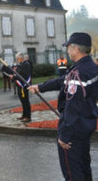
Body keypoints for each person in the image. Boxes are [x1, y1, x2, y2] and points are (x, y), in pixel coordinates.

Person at [28, 32, 98, 181]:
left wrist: (65, 136)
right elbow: (62, 81)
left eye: (68, 47)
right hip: (86, 127)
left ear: (76, 49)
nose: (67, 51)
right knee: (84, 168)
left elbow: (73, 107)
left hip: (73, 133)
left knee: (73, 174)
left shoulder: (78, 73)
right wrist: (40, 87)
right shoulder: (91, 67)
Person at [9, 53, 32, 122]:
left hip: (24, 85)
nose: (17, 60)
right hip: (19, 85)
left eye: (18, 58)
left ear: (21, 58)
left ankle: (28, 116)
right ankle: (24, 115)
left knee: (26, 101)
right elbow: (18, 73)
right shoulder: (21, 65)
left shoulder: (26, 64)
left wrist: (14, 77)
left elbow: (24, 76)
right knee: (22, 101)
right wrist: (13, 76)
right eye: (17, 58)